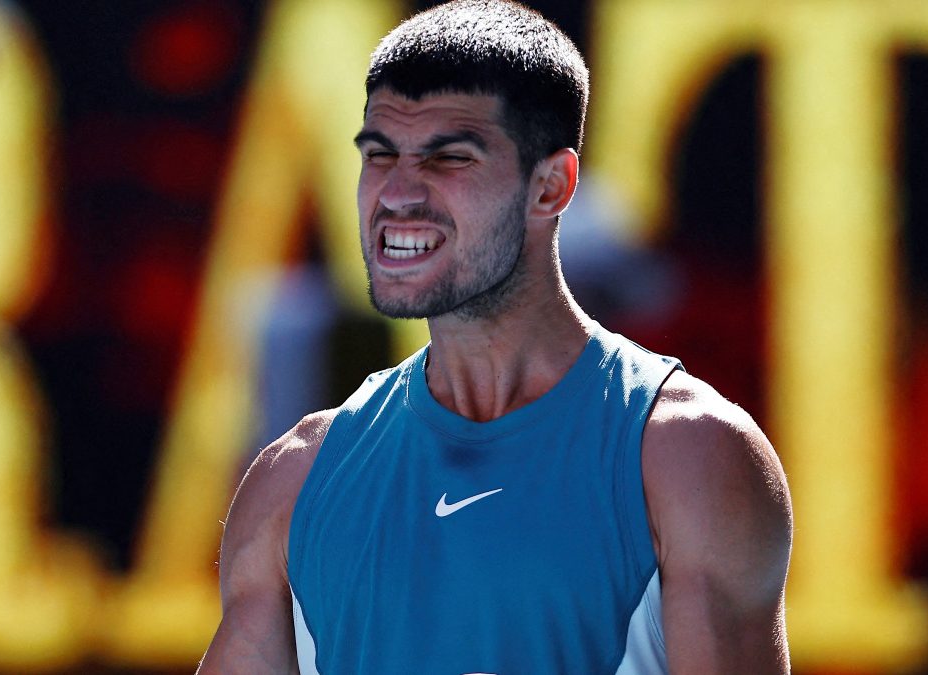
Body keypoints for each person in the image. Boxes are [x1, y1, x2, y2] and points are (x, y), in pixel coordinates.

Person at [197, 1, 792, 672]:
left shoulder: (690, 460)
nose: (398, 194)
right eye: (380, 155)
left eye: (450, 158)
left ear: (551, 186)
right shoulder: (293, 482)